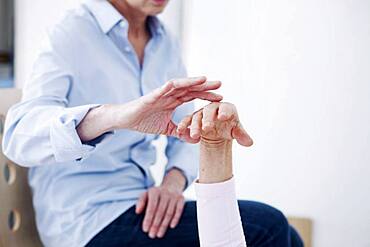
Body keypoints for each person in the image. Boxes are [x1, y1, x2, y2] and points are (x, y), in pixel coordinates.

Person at [2, 0, 303, 246]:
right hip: (87, 221)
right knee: (268, 226)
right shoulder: (70, 33)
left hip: (138, 206)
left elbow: (185, 126)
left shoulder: (164, 42)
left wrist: (173, 182)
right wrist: (116, 116)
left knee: (290, 235)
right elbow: (18, 136)